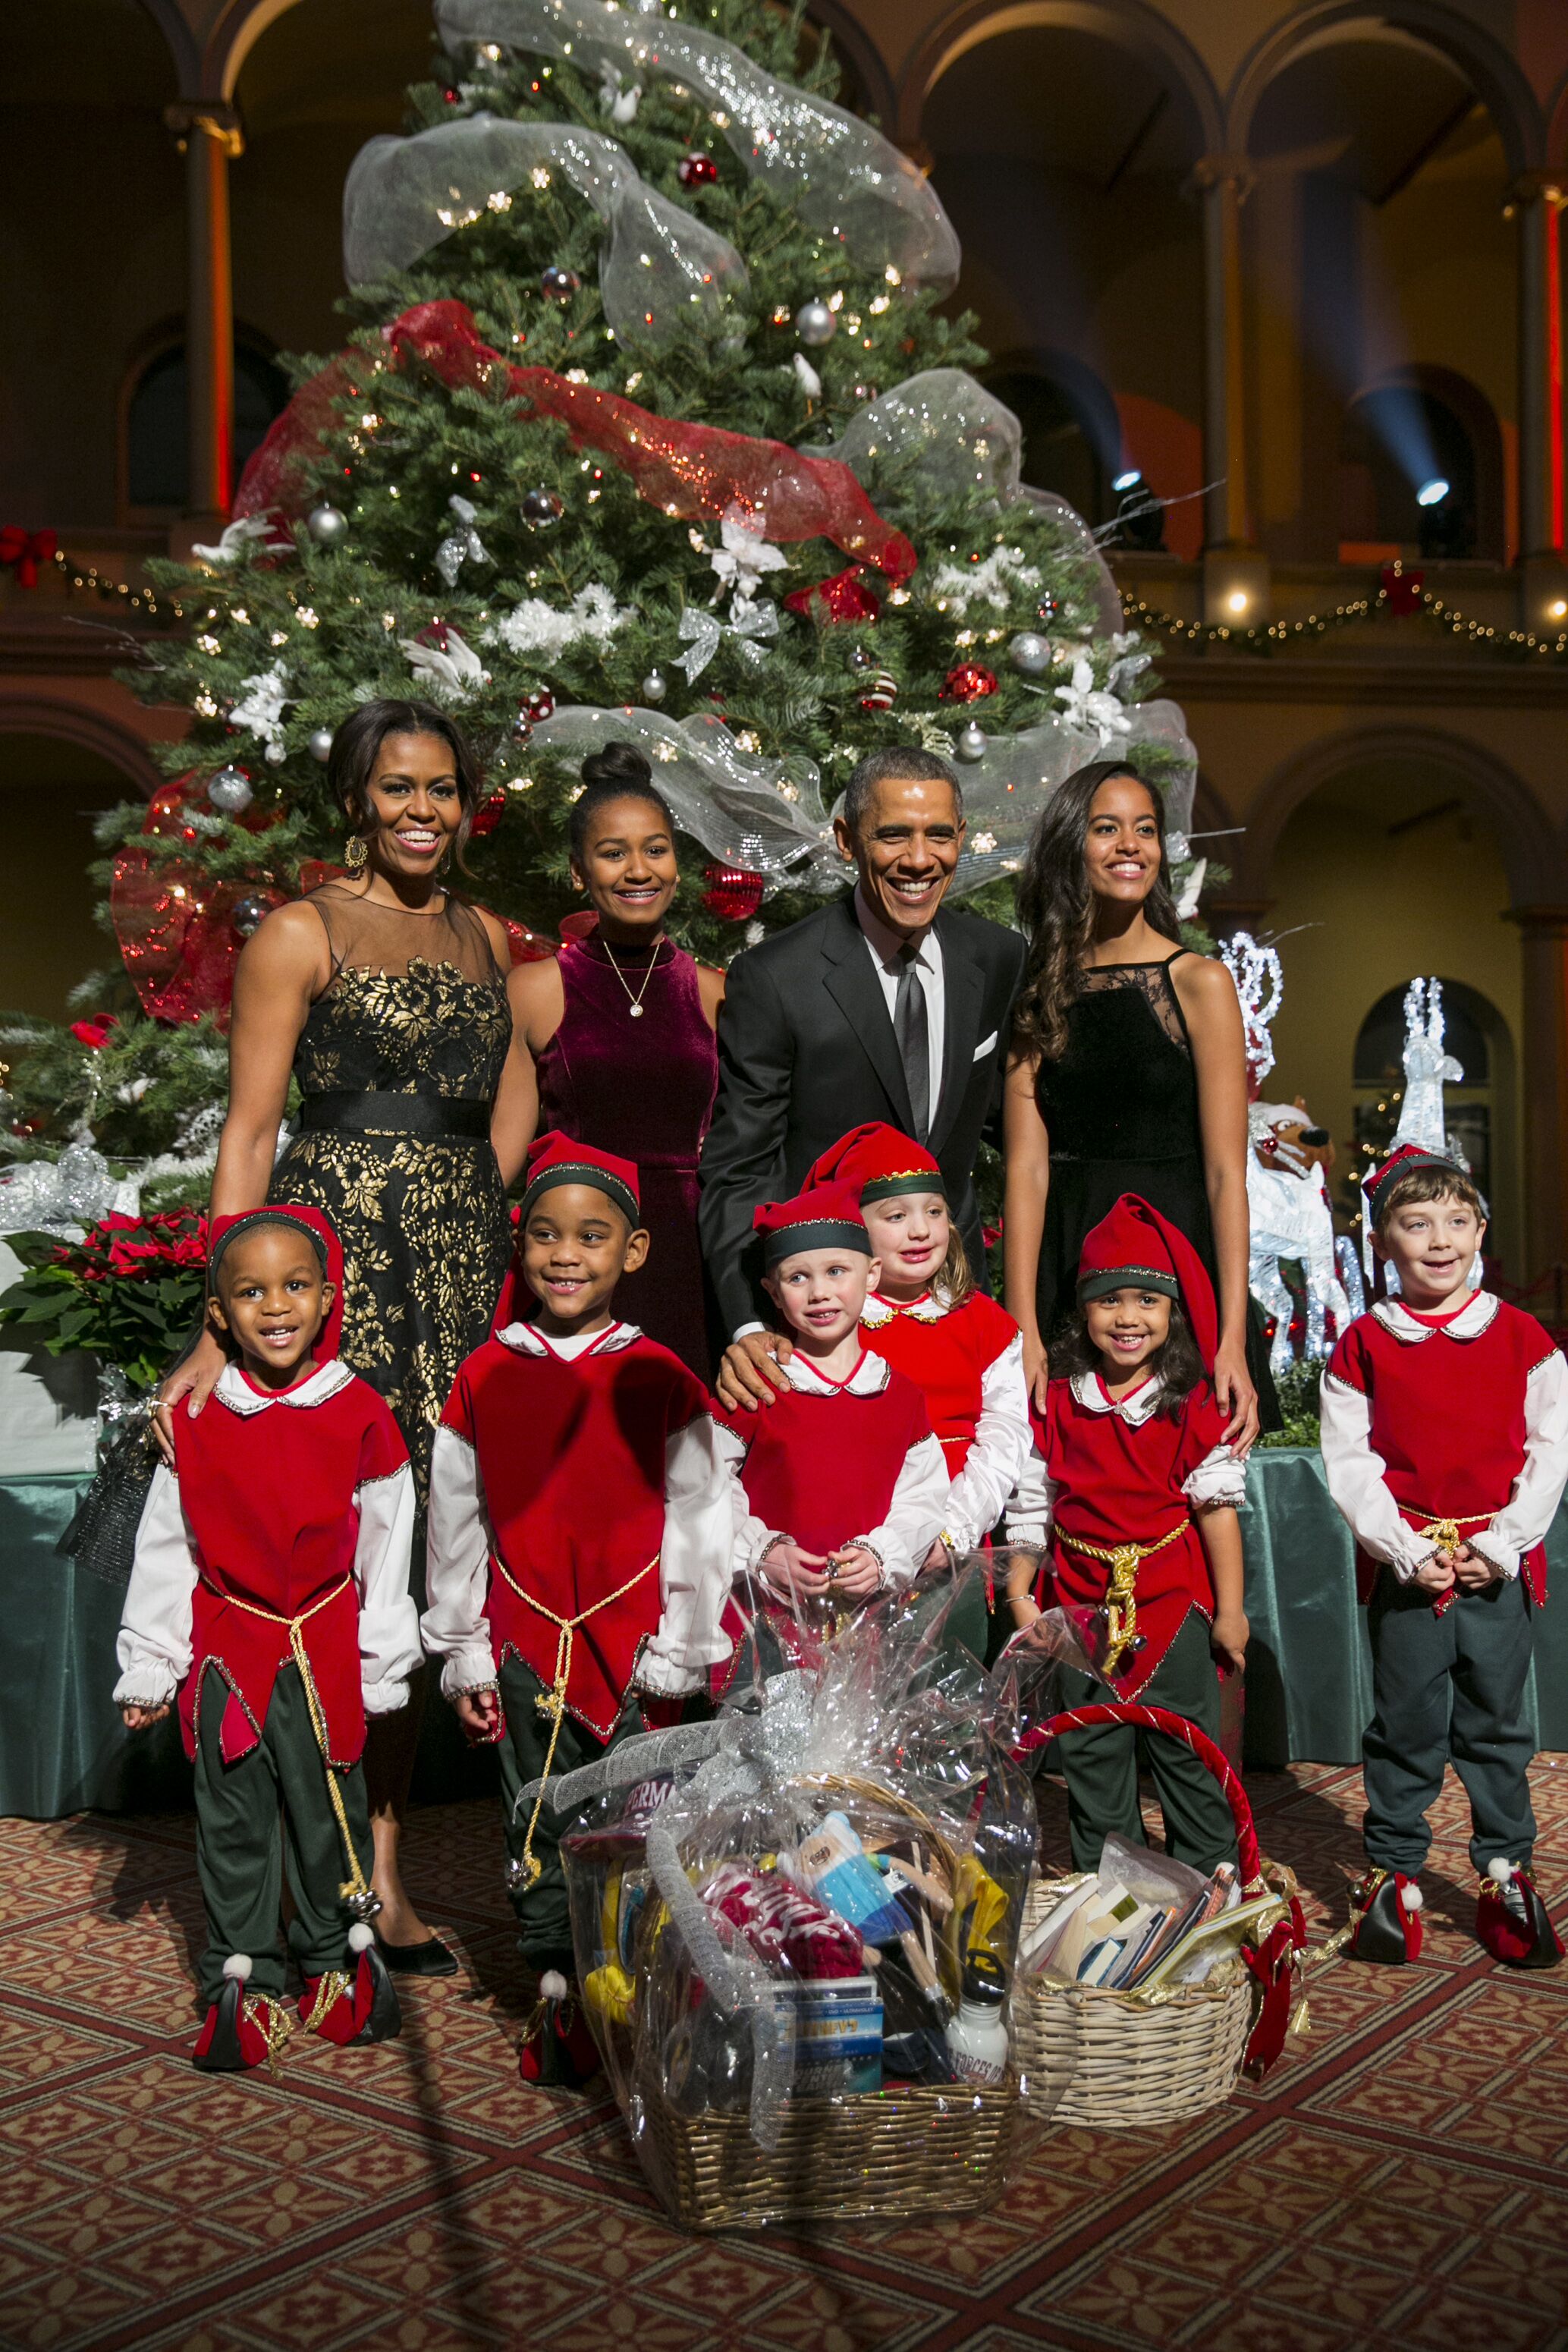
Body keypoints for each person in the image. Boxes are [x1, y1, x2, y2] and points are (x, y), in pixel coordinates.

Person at [154, 699, 541, 1974]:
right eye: (397, 789)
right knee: (327, 1549)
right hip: (333, 1264)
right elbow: (250, 1130)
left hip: (454, 1272)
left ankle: (379, 1878)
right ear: (357, 801)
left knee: (425, 1553)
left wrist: (472, 1206)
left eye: (442, 788)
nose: (422, 811)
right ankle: (294, 1866)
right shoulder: (300, 930)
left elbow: (511, 1093)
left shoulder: (487, 935)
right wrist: (226, 1311)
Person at [422, 1134, 733, 2036]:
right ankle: (556, 1981)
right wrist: (464, 1646)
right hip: (524, 1637)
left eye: (592, 1236)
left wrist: (687, 1640)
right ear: (522, 1246)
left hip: (637, 1643)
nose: (567, 1254)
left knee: (636, 1814)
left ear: (632, 1251)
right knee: (536, 1810)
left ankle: (634, 1980)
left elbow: (702, 1515)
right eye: (548, 1235)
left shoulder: (661, 1377)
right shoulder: (483, 1377)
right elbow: (455, 1520)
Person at [114, 1207, 419, 2069]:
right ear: (220, 1314)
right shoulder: (198, 1418)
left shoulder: (361, 1411)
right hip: (228, 1648)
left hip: (322, 1640)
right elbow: (169, 1548)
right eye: (251, 1291)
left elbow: (388, 1545)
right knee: (235, 1815)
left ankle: (333, 1961)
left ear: (328, 1299)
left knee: (329, 1811)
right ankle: (241, 1973)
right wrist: (151, 1662)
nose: (275, 1306)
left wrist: (381, 1659)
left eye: (294, 1286)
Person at [702, 747, 1025, 1404]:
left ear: (961, 839)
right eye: (893, 835)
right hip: (821, 1327)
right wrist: (745, 1324)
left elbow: (1004, 1127)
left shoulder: (996, 957)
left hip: (955, 1307)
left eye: (938, 834)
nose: (917, 859)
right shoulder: (775, 979)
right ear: (848, 840)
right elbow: (739, 1167)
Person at [1320, 1144, 1568, 1969]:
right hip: (1410, 1568)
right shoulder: (1364, 1343)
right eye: (1416, 1222)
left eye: (1456, 1221)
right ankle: (1393, 1878)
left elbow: (1549, 1453)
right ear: (1382, 1240)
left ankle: (1506, 1873)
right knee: (1407, 1725)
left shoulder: (1523, 1337)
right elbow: (1351, 1464)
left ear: (1480, 1231)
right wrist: (1402, 1547)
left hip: (1494, 1565)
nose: (1439, 1238)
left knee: (1497, 1723)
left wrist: (1498, 1547)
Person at [1002, 760, 1262, 1448]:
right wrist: (1021, 1326)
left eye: (1144, 830)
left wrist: (1231, 1338)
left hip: (1179, 1268)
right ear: (1069, 846)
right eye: (1106, 828)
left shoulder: (1199, 983)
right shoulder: (1037, 991)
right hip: (1070, 1270)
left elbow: (1224, 1177)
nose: (1130, 846)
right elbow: (1026, 1172)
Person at [1003, 1193, 1249, 1873]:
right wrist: (1024, 1594)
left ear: (1171, 1314)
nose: (1128, 1318)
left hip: (1174, 1608)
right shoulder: (1054, 1401)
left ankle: (1207, 1895)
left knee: (1188, 1758)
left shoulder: (1195, 1405)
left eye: (1147, 1300)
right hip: (1080, 1605)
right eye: (1110, 1301)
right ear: (1084, 1311)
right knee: (1092, 1759)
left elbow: (1216, 1513)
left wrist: (1229, 1613)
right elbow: (1033, 1502)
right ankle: (1107, 1904)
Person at [507, 741, 724, 1379]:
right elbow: (506, 1150)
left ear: (677, 863)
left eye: (655, 849)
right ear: (579, 870)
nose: (638, 870)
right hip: (575, 1259)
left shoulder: (716, 993)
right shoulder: (535, 989)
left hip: (690, 1255)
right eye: (613, 853)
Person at [715, 1186, 951, 1673]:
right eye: (798, 1278)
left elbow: (923, 1495)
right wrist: (761, 1550)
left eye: (836, 1272)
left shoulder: (900, 1395)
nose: (819, 1292)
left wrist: (883, 1554)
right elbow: (704, 1485)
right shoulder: (758, 1384)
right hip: (762, 1629)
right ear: (773, 1292)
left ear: (873, 1275)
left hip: (866, 1633)